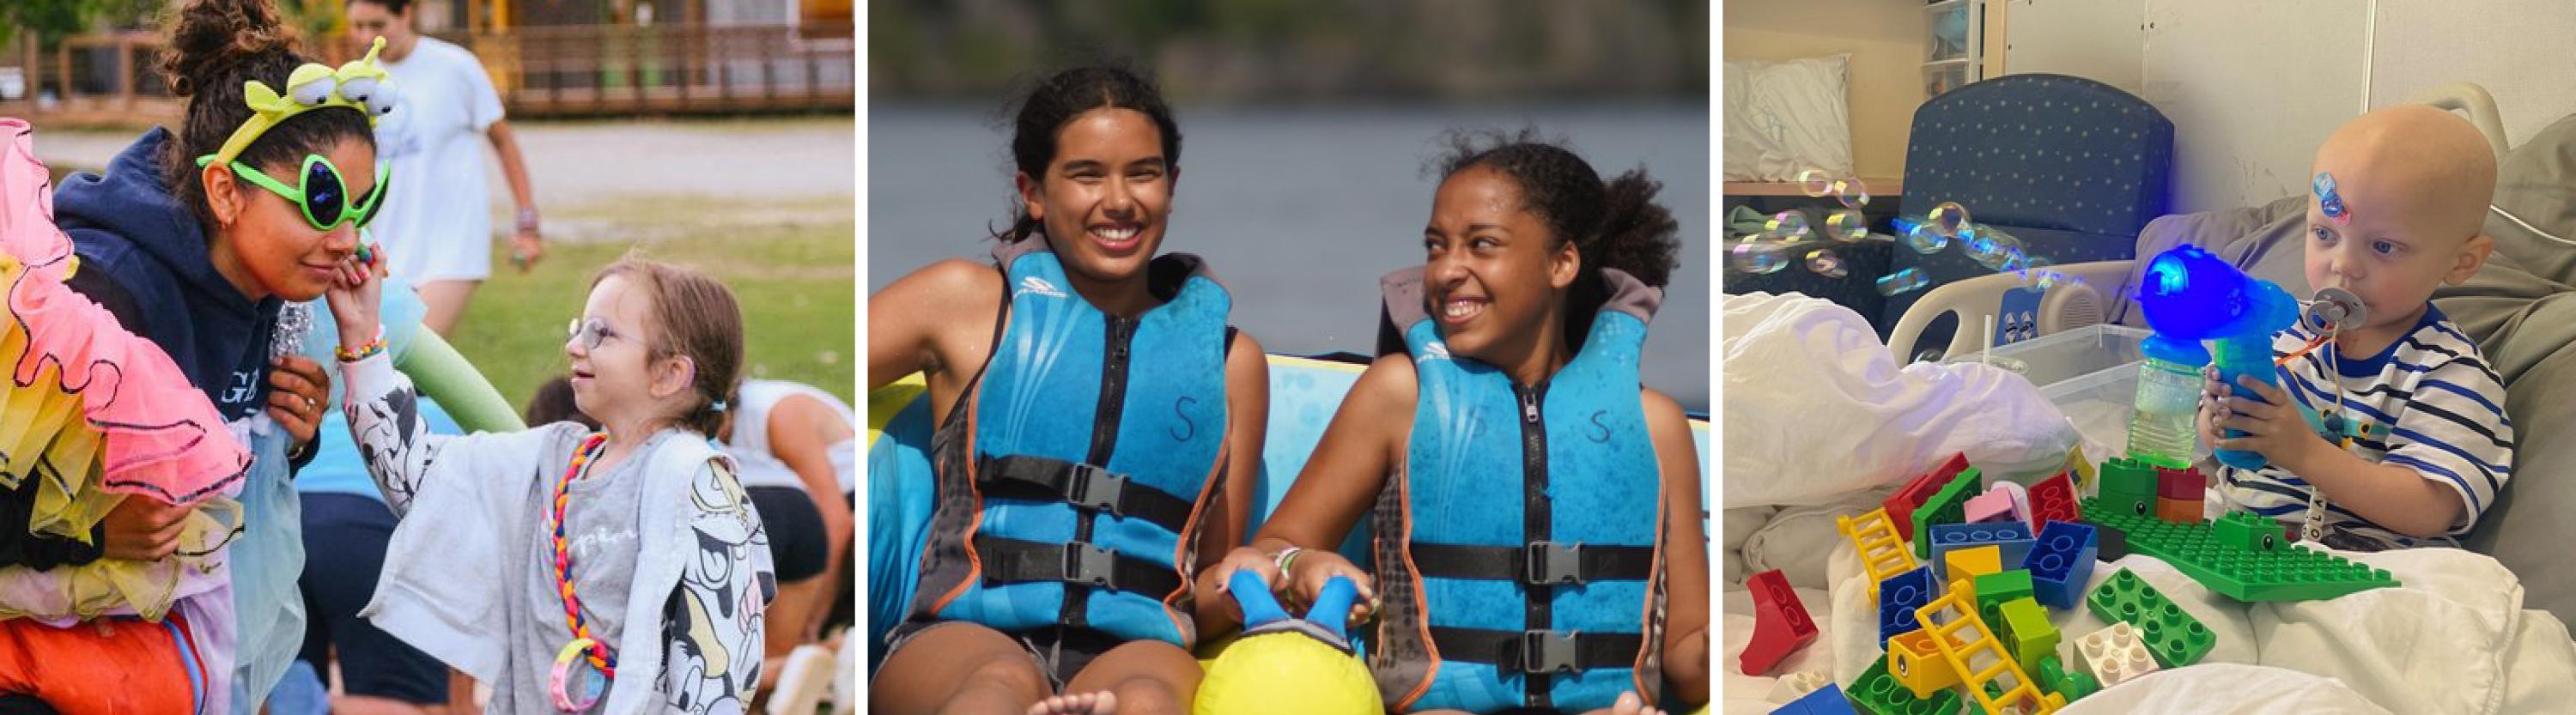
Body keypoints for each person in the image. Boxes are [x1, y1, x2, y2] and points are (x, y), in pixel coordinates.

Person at [1210, 131, 1710, 715]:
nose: (1447, 270)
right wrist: (1303, 564)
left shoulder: (1656, 426)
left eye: (1482, 245)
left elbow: (1686, 659)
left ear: (1562, 262)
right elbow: (1274, 545)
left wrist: (1744, 632)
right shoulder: (1400, 396)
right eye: (1436, 246)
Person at [15, 0, 389, 707]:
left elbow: (219, 463)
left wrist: (290, 436)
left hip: (154, 658)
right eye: (321, 201)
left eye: (362, 207)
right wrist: (91, 531)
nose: (347, 237)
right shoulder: (103, 300)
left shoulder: (268, 284)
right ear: (225, 190)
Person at [866, 64, 1268, 715]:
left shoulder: (1231, 362)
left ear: (1172, 185)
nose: (1120, 200)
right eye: (1087, 175)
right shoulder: (961, 305)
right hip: (964, 634)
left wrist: (1275, 574)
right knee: (994, 694)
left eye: (1144, 172)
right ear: (1033, 191)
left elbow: (1210, 576)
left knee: (1145, 702)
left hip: (1136, 644)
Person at [325, 255, 773, 712]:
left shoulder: (699, 486)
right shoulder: (552, 459)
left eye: (603, 334)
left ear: (668, 374)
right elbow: (414, 476)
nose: (576, 345)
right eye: (580, 327)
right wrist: (363, 337)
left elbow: (718, 669)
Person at [2201, 105, 2514, 551]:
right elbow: (2213, 445)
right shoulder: (2282, 331)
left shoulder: (2448, 373)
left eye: (2384, 246)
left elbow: (2428, 510)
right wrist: (2217, 420)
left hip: (2365, 571)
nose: (2343, 265)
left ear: (2461, 262)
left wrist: (2303, 451)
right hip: (2244, 541)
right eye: (2325, 235)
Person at [345, 0, 545, 336]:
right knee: (383, 367)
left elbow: (503, 142)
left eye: (377, 25)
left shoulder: (455, 67)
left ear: (406, 14)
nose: (367, 36)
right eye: (358, 26)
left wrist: (527, 223)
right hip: (385, 246)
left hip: (453, 244)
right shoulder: (356, 83)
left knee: (414, 355)